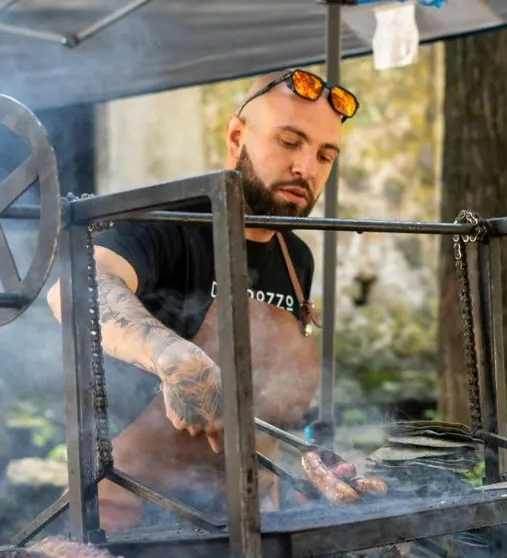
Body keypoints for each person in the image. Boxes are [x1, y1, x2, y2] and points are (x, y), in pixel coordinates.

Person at [46, 69, 359, 531]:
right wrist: (173, 355)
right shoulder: (172, 224)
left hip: (247, 523)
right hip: (135, 521)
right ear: (237, 135)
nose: (306, 169)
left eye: (324, 155)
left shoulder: (296, 258)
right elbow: (76, 288)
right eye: (290, 142)